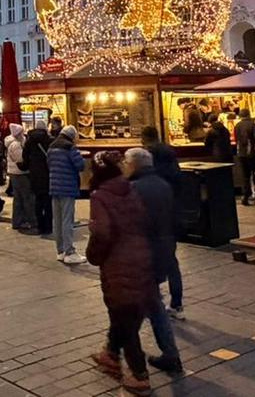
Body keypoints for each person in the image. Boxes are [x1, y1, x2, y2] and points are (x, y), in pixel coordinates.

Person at [87, 151, 154, 396]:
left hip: (118, 261)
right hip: (141, 256)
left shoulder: (100, 196)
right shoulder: (131, 189)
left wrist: (94, 254)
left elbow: (102, 232)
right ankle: (111, 354)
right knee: (122, 310)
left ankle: (139, 374)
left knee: (124, 317)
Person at [123, 147, 182, 376]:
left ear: (135, 165)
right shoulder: (162, 184)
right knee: (153, 304)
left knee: (131, 310)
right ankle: (170, 355)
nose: (124, 166)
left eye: (126, 163)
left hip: (142, 254)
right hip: (163, 250)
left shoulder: (134, 189)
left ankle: (135, 367)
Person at [140, 126, 184, 319]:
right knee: (171, 261)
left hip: (153, 219)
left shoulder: (149, 163)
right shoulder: (171, 155)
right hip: (172, 214)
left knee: (149, 260)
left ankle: (154, 300)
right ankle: (177, 302)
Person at [48, 124, 86, 264]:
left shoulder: (52, 146)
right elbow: (80, 165)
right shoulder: (70, 147)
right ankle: (70, 251)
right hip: (67, 186)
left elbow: (48, 164)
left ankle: (60, 250)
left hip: (54, 186)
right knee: (67, 220)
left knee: (57, 220)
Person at [24, 119, 52, 235]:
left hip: (34, 174)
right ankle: (48, 226)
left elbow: (24, 156)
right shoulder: (49, 140)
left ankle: (40, 225)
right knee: (48, 201)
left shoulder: (29, 141)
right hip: (47, 173)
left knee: (38, 201)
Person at [6, 123, 34, 232]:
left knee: (18, 198)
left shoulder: (13, 143)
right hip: (20, 173)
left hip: (14, 172)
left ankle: (17, 221)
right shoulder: (16, 145)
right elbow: (21, 160)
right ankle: (25, 220)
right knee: (25, 197)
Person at [234, 108, 255, 206]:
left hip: (241, 153)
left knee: (245, 176)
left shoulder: (237, 126)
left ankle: (246, 195)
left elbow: (236, 139)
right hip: (252, 153)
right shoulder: (253, 125)